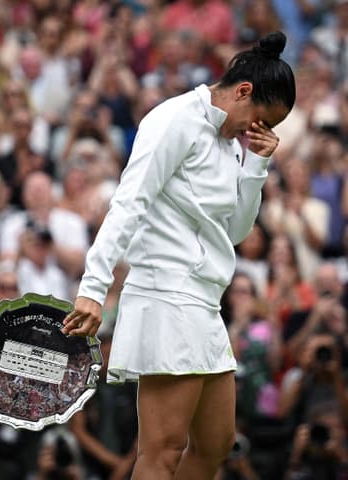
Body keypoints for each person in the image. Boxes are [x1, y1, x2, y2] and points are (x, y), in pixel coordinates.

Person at [61, 32, 296, 480]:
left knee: (215, 444)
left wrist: (257, 166)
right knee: (162, 451)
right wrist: (92, 287)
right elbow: (128, 202)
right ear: (244, 91)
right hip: (166, 296)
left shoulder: (233, 143)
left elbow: (238, 231)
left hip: (204, 304)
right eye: (260, 120)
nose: (256, 131)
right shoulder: (173, 119)